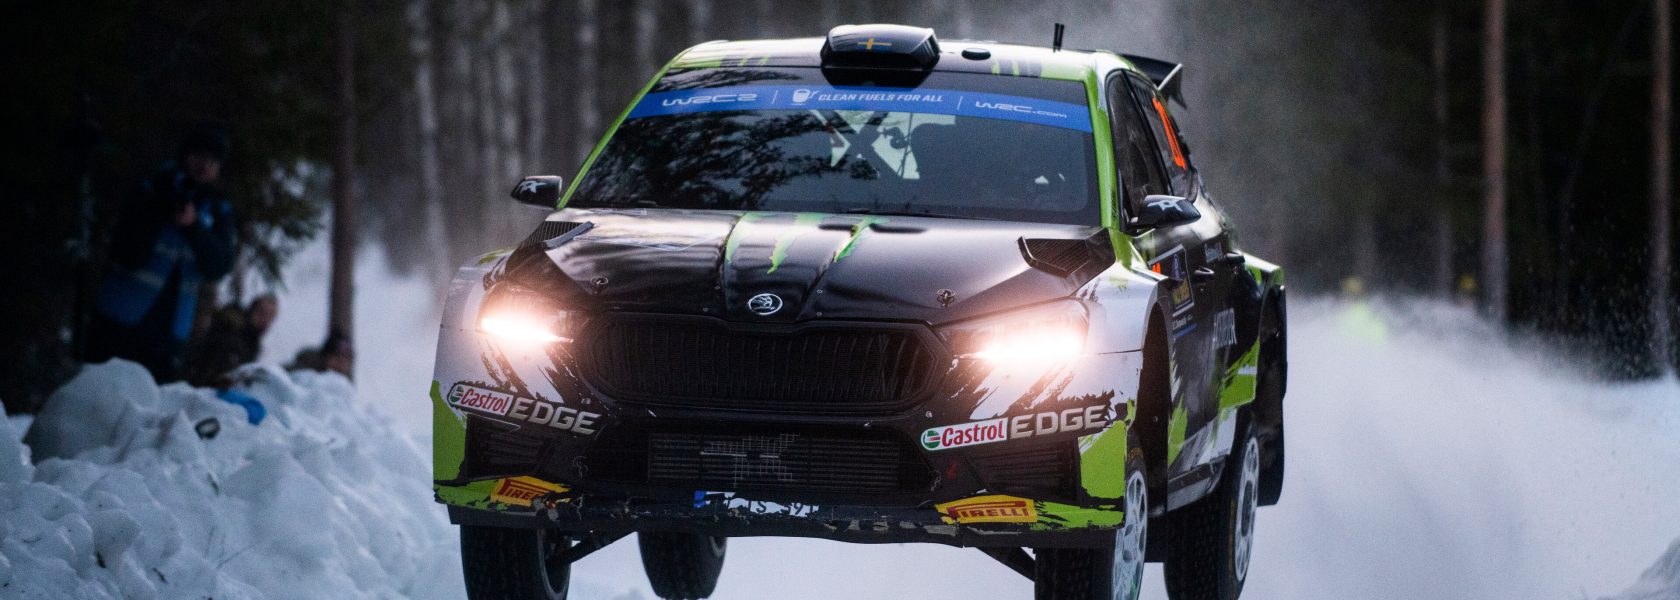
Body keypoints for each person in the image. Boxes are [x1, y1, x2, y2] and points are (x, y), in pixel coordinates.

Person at [87, 124, 237, 383]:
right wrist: (161, 211)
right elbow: (125, 250)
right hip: (118, 319)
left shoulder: (218, 209)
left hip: (169, 333)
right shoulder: (152, 187)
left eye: (213, 161)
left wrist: (194, 228)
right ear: (186, 155)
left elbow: (219, 265)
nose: (204, 166)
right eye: (200, 157)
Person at [184, 294, 278, 388]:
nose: (265, 319)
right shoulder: (229, 330)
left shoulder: (252, 344)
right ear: (252, 310)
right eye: (262, 312)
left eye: (270, 316)